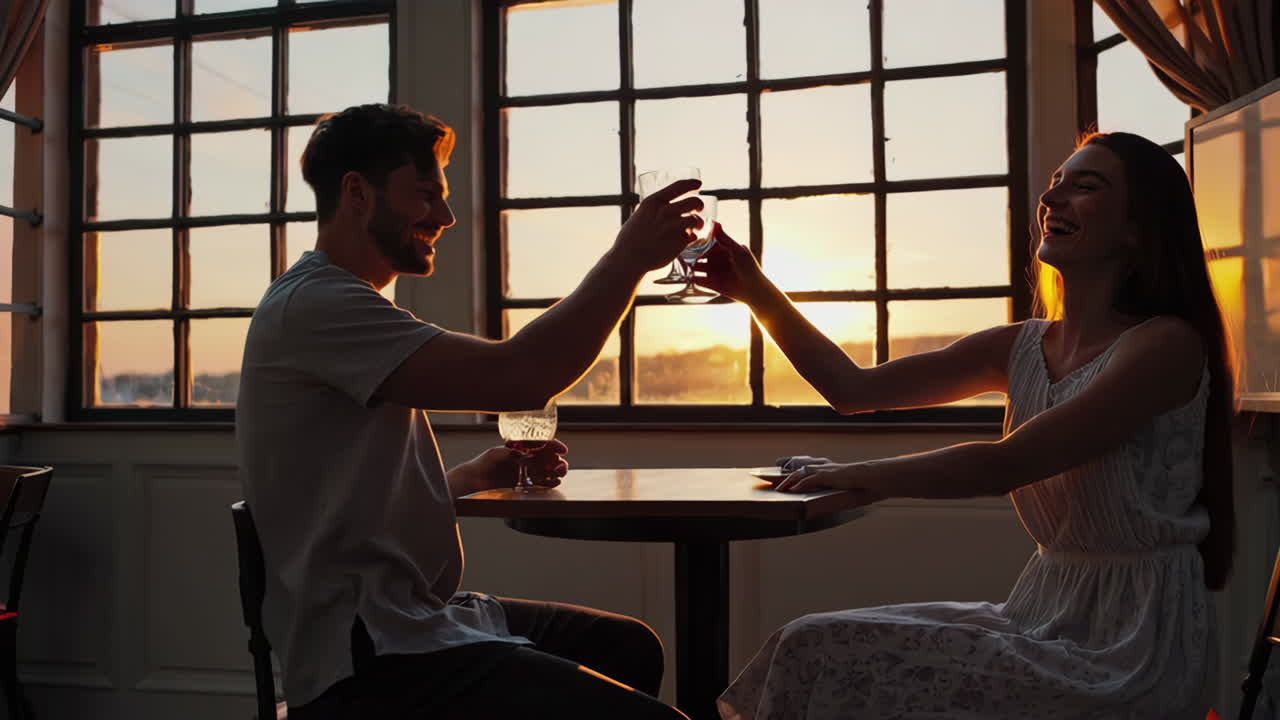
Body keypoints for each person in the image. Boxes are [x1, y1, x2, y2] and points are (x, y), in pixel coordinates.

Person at [694, 131, 1236, 720]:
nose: (1053, 198)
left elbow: (1007, 463)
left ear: (1137, 229)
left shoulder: (1165, 345)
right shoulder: (1022, 346)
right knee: (806, 645)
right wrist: (753, 289)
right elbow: (852, 389)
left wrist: (861, 474)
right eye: (1056, 184)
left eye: (1087, 186)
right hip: (1039, 611)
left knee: (825, 655)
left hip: (1131, 648)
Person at [236, 103, 701, 719]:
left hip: (412, 617)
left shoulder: (335, 301)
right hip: (368, 652)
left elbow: (348, 508)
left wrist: (474, 476)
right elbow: (521, 377)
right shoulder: (319, 304)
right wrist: (628, 258)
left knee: (628, 647)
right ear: (356, 192)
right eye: (427, 195)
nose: (447, 217)